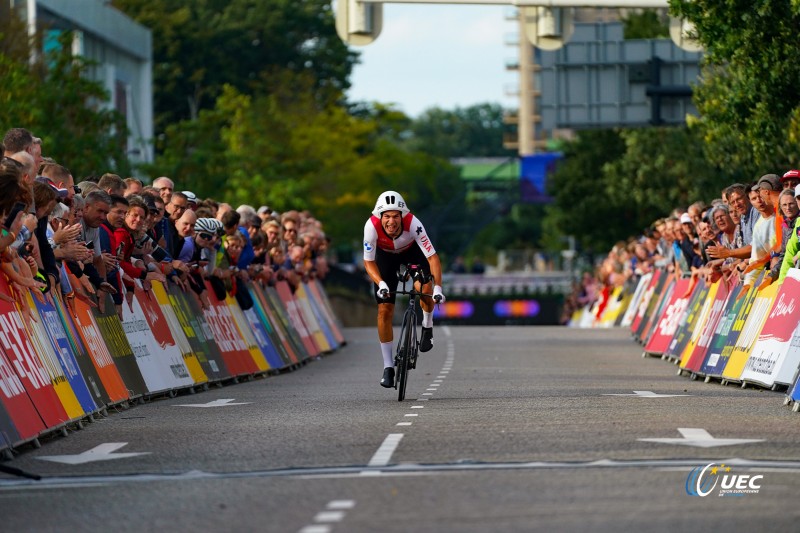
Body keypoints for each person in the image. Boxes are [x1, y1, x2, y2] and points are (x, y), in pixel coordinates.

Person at [362, 190, 445, 389]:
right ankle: (388, 367)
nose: (392, 221)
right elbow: (368, 261)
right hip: (385, 259)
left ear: (402, 216)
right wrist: (381, 283)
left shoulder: (413, 224)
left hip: (412, 253)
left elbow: (432, 258)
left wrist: (438, 288)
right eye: (387, 216)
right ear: (380, 217)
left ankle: (427, 325)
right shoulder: (371, 226)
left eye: (396, 216)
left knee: (424, 287)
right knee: (384, 310)